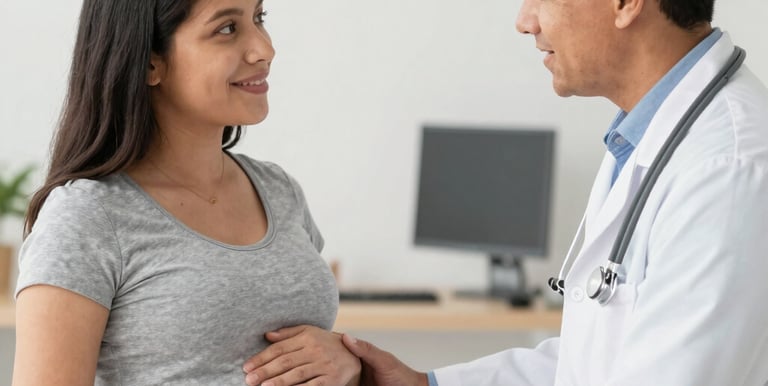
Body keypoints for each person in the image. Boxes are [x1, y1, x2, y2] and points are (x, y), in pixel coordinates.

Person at [243, 0, 768, 385]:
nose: (525, 20)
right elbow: (592, 363)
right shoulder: (647, 137)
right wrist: (426, 385)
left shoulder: (727, 166)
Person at [13, 0, 361, 385]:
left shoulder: (279, 191)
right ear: (149, 62)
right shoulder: (86, 217)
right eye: (226, 29)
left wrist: (346, 359)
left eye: (259, 18)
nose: (264, 49)